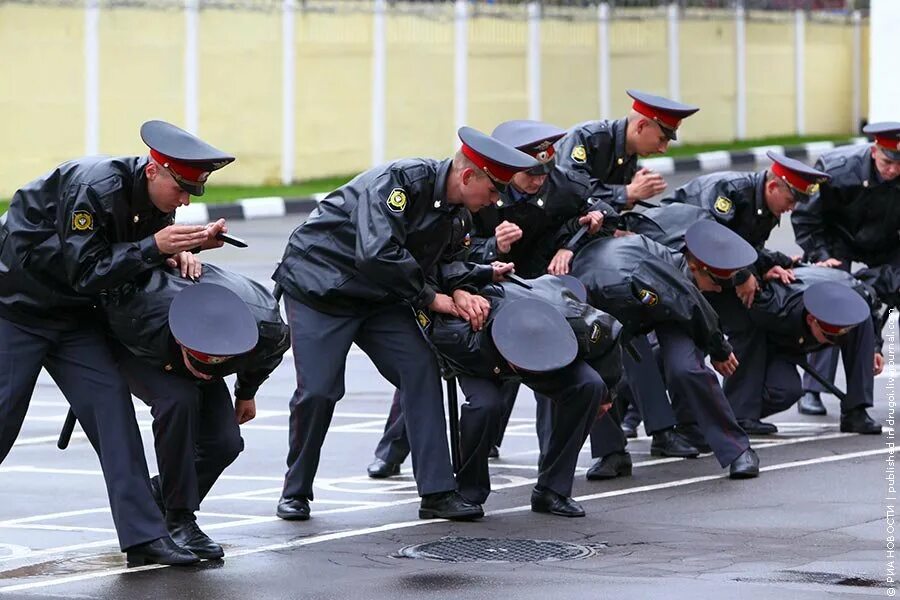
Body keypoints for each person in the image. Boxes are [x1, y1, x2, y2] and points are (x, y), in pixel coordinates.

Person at [273, 127, 538, 522]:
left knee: (421, 370)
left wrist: (461, 287)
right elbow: (376, 253)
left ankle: (437, 492)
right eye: (493, 190)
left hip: (381, 296)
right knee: (319, 391)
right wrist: (431, 297)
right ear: (468, 176)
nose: (495, 201)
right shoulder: (400, 182)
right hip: (321, 289)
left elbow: (446, 262)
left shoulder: (458, 214)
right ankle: (295, 491)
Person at [0, 120, 233, 566]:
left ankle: (144, 539)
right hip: (16, 309)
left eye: (192, 193)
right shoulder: (93, 188)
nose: (185, 201)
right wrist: (155, 247)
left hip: (74, 318)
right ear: (153, 170)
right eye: (181, 189)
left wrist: (187, 247)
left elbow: (131, 258)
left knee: (115, 419)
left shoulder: (157, 199)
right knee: (3, 419)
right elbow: (87, 271)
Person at [365, 119, 615, 478]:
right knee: (438, 367)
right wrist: (493, 246)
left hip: (535, 292)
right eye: (529, 174)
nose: (538, 182)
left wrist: (572, 242)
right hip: (483, 289)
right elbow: (452, 255)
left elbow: (601, 210)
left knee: (552, 362)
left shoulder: (562, 186)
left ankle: (549, 467)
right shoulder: (478, 194)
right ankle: (392, 451)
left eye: (543, 173)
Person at [100, 265, 290, 559]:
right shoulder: (140, 315)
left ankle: (156, 496)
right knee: (178, 400)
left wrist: (246, 393)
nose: (205, 375)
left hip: (202, 332)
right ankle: (179, 519)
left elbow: (267, 356)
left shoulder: (266, 327)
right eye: (200, 366)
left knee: (225, 443)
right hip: (138, 346)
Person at [571, 221, 761, 478]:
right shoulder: (667, 286)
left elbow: (695, 310)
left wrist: (718, 349)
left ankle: (738, 450)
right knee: (596, 375)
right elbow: (695, 307)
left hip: (654, 305)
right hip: (618, 296)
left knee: (686, 369)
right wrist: (721, 352)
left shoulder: (675, 277)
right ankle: (612, 453)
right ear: (696, 268)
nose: (718, 290)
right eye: (717, 283)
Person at [660, 151, 831, 433]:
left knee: (746, 324)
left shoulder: (767, 206)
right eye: (791, 201)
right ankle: (638, 410)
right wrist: (743, 274)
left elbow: (749, 247)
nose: (791, 209)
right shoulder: (730, 191)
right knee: (678, 342)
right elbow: (711, 236)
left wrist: (770, 265)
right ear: (773, 186)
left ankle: (739, 415)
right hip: (676, 265)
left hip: (710, 272)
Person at [429, 275, 620, 516]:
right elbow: (441, 351)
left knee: (590, 385)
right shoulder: (463, 337)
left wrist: (608, 392)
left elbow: (610, 332)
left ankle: (551, 490)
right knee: (485, 406)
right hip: (484, 357)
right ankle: (469, 490)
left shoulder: (568, 319)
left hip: (537, 325)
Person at [791, 122, 900, 416]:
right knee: (834, 300)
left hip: (889, 241)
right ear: (874, 151)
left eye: (898, 166)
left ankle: (860, 394)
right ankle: (813, 389)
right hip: (836, 240)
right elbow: (806, 218)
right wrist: (822, 256)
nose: (892, 171)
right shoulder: (836, 169)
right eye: (887, 162)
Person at [736, 271, 882, 433]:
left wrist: (875, 348)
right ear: (811, 320)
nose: (833, 342)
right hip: (776, 343)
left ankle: (856, 412)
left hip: (806, 324)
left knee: (861, 323)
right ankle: (732, 413)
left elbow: (870, 309)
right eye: (829, 336)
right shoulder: (773, 308)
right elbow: (742, 334)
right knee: (784, 392)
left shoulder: (856, 295)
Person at [555, 89, 699, 211]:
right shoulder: (587, 137)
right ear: (641, 126)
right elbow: (570, 192)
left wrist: (627, 200)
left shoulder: (628, 151)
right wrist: (627, 192)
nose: (663, 149)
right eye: (662, 139)